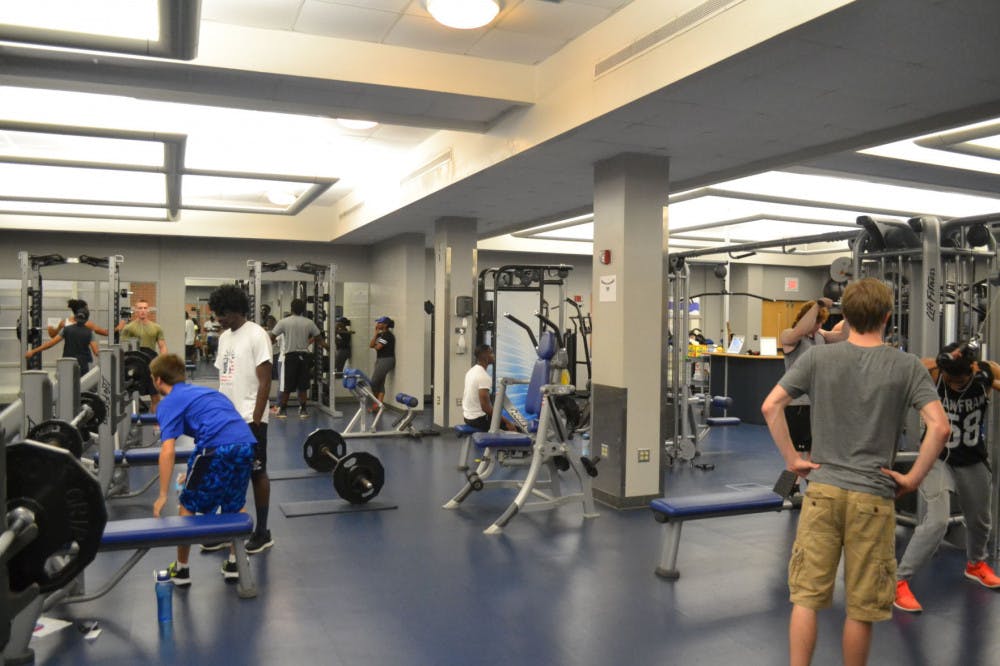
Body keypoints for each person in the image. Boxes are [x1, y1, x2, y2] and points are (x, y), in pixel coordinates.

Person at [761, 278, 949, 666]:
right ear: (887, 317)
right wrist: (913, 478)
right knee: (861, 608)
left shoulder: (817, 358)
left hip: (823, 492)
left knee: (806, 599)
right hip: (873, 498)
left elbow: (770, 406)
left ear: (845, 317)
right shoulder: (906, 364)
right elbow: (940, 426)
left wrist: (792, 461)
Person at [893, 342, 1000, 613]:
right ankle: (898, 581)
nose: (954, 384)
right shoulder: (935, 374)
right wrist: (940, 363)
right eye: (950, 379)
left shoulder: (983, 373)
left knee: (980, 520)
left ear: (972, 370)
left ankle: (976, 564)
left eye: (959, 379)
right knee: (937, 522)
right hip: (937, 459)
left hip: (972, 459)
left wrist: (986, 376)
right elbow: (910, 366)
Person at [150, 354, 255, 584]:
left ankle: (182, 569)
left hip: (215, 448)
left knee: (187, 503)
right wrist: (194, 468)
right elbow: (219, 427)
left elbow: (168, 450)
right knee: (234, 503)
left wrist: (162, 495)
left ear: (158, 380)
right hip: (246, 444)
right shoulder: (206, 393)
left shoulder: (167, 402)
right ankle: (235, 563)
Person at [210, 284, 274, 554]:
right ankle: (227, 531)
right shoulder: (224, 337)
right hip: (227, 419)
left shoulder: (257, 335)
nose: (219, 319)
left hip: (249, 419)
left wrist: (256, 421)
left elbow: (265, 382)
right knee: (227, 472)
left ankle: (262, 532)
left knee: (256, 473)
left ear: (237, 310)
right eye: (217, 314)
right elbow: (225, 379)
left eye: (223, 314)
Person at [779, 297, 850, 460]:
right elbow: (801, 329)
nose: (819, 326)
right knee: (797, 453)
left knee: (814, 452)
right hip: (798, 405)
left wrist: (847, 314)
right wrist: (817, 305)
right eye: (817, 322)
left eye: (820, 323)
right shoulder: (789, 336)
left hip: (818, 404)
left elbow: (845, 336)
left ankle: (812, 483)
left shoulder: (820, 335)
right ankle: (794, 485)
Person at [270, 298, 321, 419]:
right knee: (302, 385)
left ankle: (283, 410)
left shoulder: (283, 322)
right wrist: (328, 347)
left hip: (290, 357)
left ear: (291, 309)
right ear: (303, 310)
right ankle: (303, 410)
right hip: (303, 357)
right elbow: (318, 338)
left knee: (286, 385)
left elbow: (272, 337)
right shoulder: (309, 322)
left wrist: (266, 348)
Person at [116, 298, 168, 410]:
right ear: (135, 310)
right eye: (140, 308)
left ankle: (155, 425)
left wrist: (163, 362)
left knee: (155, 397)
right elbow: (123, 348)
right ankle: (128, 422)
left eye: (145, 308)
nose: (143, 310)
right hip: (134, 365)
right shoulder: (128, 328)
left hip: (151, 363)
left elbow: (162, 346)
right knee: (127, 395)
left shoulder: (156, 327)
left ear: (148, 310)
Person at [25, 304, 100, 373]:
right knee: (85, 386)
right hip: (85, 365)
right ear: (86, 319)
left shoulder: (66, 329)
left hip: (68, 364)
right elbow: (96, 352)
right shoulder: (90, 332)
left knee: (67, 385)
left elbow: (50, 344)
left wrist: (33, 351)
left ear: (75, 318)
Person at [462, 344, 496, 430]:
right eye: (491, 353)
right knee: (513, 427)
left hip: (467, 417)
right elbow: (486, 408)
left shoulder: (471, 371)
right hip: (478, 420)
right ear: (486, 356)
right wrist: (507, 422)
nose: (493, 355)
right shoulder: (483, 376)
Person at [369, 315, 396, 406]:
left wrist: (376, 345)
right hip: (380, 360)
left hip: (386, 360)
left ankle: (376, 403)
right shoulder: (381, 335)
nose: (377, 324)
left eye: (380, 322)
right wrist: (376, 333)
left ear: (385, 325)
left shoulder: (388, 335)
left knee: (374, 382)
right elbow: (371, 345)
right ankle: (378, 405)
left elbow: (378, 347)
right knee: (380, 383)